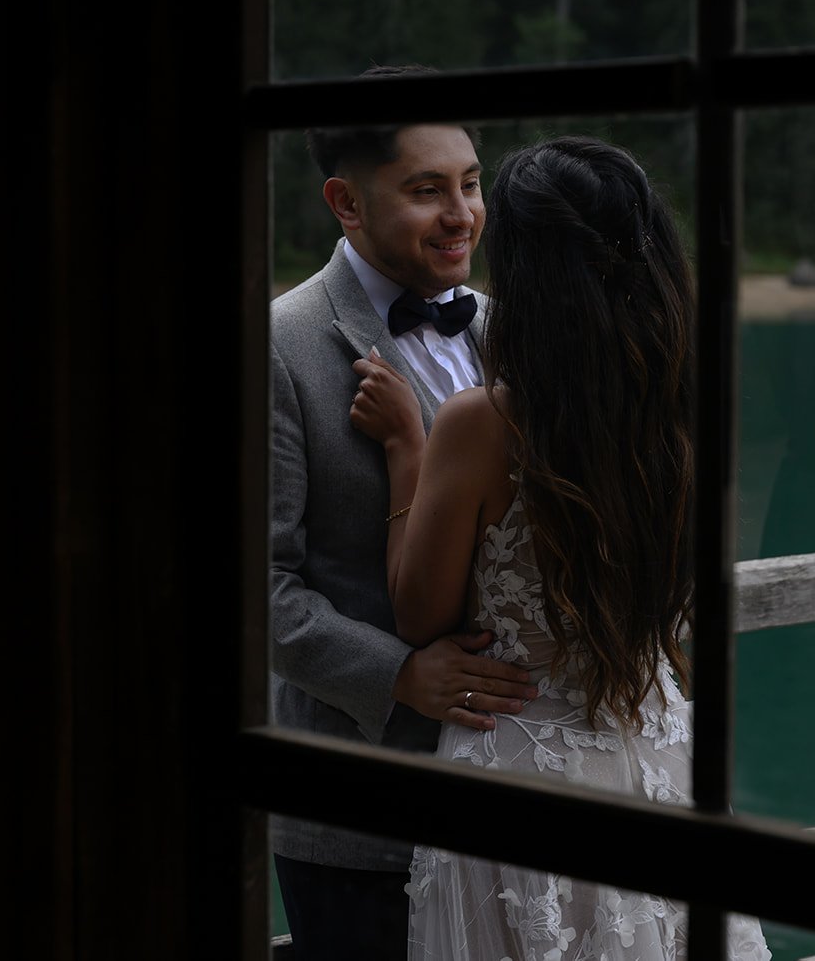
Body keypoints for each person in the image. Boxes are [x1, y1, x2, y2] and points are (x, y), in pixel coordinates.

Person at [349, 136, 772, 960]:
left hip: (521, 768)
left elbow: (420, 613)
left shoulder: (483, 422)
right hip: (655, 748)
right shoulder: (680, 404)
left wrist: (407, 450)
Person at [269, 65, 540, 960]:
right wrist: (398, 675)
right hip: (360, 809)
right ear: (346, 202)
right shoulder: (277, 347)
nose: (462, 214)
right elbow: (256, 590)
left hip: (517, 791)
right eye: (427, 191)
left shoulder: (512, 329)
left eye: (470, 184)